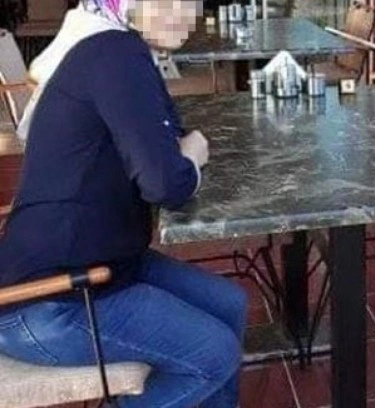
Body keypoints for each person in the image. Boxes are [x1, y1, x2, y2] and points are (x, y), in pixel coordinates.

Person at [0, 1, 248, 407]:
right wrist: (191, 159)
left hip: (106, 264)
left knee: (230, 304)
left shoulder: (120, 50)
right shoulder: (114, 53)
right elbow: (165, 182)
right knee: (214, 354)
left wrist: (179, 154)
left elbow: (166, 139)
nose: (185, 14)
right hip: (49, 299)